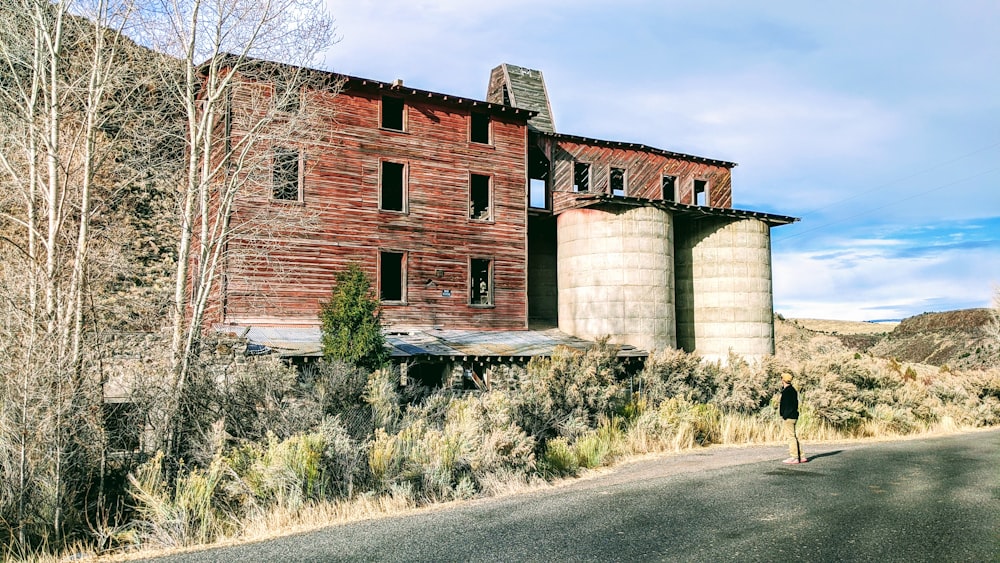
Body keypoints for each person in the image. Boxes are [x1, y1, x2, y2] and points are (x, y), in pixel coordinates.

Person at [780, 373, 806, 464]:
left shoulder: (787, 391)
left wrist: (784, 415)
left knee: (790, 437)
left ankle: (794, 457)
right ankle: (801, 456)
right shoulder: (793, 390)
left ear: (783, 380)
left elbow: (787, 406)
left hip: (789, 417)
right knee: (794, 436)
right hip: (794, 415)